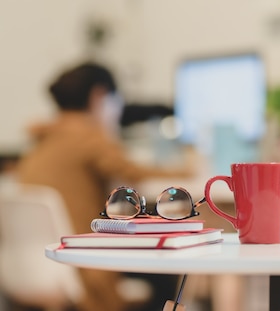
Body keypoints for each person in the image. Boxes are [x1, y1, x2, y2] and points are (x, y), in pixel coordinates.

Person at [16, 62, 192, 311]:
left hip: (40, 268)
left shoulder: (42, 141)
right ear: (99, 96)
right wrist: (190, 167)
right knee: (166, 267)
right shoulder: (88, 136)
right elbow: (135, 173)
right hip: (84, 267)